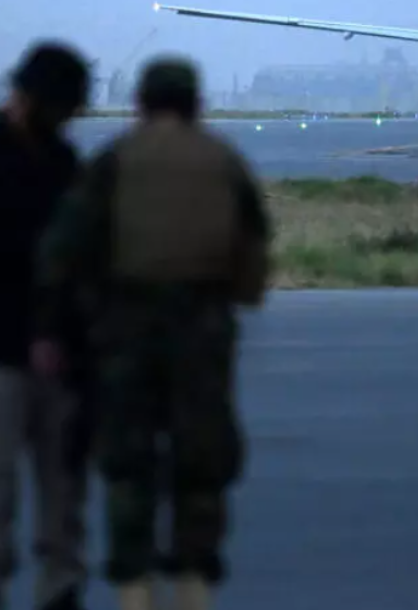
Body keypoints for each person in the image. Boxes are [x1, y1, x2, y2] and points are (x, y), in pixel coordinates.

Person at [33, 55, 272, 610]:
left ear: (140, 102)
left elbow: (65, 246)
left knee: (128, 462)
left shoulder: (116, 159)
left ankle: (134, 587)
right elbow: (252, 248)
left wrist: (64, 319)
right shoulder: (223, 160)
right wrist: (234, 297)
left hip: (126, 329)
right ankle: (193, 583)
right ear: (195, 103)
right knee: (202, 461)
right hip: (202, 329)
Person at [0, 42, 92, 610]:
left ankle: (61, 590)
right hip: (8, 353)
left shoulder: (64, 163)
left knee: (63, 494)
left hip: (58, 354)